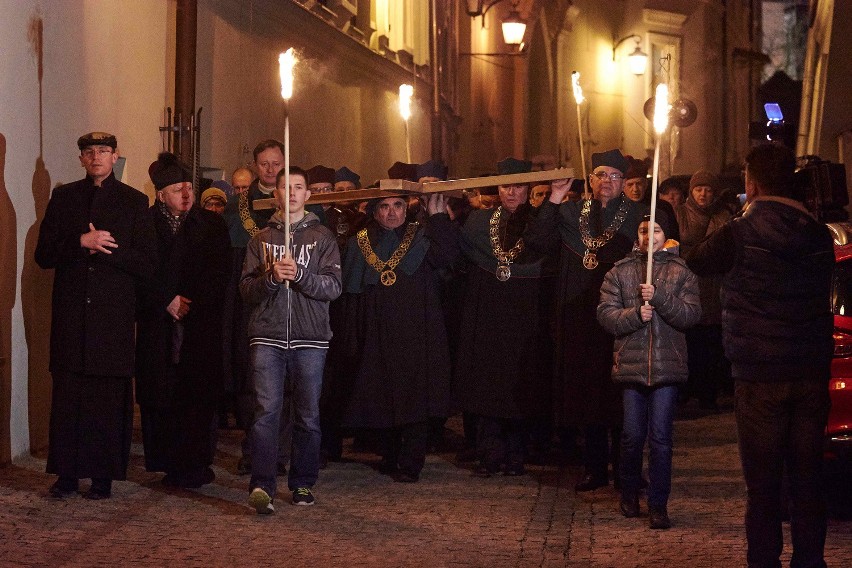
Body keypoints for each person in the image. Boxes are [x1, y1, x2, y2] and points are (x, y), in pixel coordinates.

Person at [687, 143, 834, 568]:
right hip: (808, 370)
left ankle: (764, 561)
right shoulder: (818, 233)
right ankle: (810, 560)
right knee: (808, 478)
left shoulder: (739, 231)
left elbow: (697, 257)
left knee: (764, 483)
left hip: (759, 374)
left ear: (751, 182)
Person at [35, 131, 157, 499]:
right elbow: (44, 255)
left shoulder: (135, 202)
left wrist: (107, 248)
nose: (97, 157)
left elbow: (147, 263)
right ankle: (67, 475)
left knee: (107, 399)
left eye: (103, 151)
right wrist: (80, 243)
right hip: (72, 316)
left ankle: (103, 475)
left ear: (116, 155)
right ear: (81, 159)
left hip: (112, 318)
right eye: (90, 152)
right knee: (69, 396)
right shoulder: (64, 197)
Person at [525, 148, 648, 492]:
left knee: (623, 396)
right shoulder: (570, 211)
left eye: (614, 176)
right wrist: (556, 195)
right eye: (600, 175)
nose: (606, 181)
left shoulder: (639, 214)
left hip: (623, 315)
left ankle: (629, 468)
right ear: (590, 180)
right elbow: (536, 241)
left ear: (624, 182)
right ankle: (594, 467)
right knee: (590, 393)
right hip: (581, 316)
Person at [242, 166, 342, 513]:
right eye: (286, 188)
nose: (293, 193)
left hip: (310, 337)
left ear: (308, 195)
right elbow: (247, 290)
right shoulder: (261, 240)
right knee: (265, 413)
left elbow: (332, 287)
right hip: (267, 335)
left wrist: (300, 275)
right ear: (277, 194)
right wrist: (271, 278)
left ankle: (302, 483)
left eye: (299, 187)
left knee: (308, 415)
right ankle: (262, 485)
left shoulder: (323, 238)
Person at [341, 192, 458, 482]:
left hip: (417, 332)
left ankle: (411, 461)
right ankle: (390, 455)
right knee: (381, 393)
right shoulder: (361, 243)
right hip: (376, 332)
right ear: (374, 211)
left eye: (398, 206)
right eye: (384, 206)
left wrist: (439, 216)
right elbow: (352, 295)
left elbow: (448, 258)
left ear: (407, 208)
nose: (392, 213)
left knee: (414, 395)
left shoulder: (422, 237)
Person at [597, 210, 700, 529]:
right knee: (631, 436)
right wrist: (633, 316)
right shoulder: (621, 272)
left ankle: (659, 504)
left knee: (660, 439)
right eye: (643, 231)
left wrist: (660, 298)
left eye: (654, 231)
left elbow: (690, 316)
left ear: (664, 235)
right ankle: (628, 493)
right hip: (632, 366)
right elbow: (605, 314)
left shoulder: (683, 273)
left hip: (666, 369)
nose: (648, 237)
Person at [454, 157, 557, 477]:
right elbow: (463, 250)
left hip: (525, 311)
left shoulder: (541, 219)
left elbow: (540, 243)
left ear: (526, 189)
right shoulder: (478, 221)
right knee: (488, 384)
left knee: (520, 383)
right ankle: (489, 452)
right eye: (504, 187)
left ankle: (516, 454)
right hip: (489, 310)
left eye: (517, 187)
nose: (510, 193)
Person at [135, 153, 231, 488]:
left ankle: (196, 463)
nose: (187, 195)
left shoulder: (211, 224)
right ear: (161, 194)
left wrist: (191, 303)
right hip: (159, 325)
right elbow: (139, 272)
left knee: (197, 396)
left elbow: (220, 273)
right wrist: (166, 301)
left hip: (198, 325)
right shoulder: (143, 225)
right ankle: (167, 462)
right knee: (162, 395)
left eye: (190, 187)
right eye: (178, 189)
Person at [222, 141, 292, 476]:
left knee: (287, 381)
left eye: (276, 163)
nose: (270, 170)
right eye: (263, 164)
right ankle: (254, 450)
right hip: (251, 307)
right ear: (254, 165)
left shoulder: (298, 204)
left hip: (290, 307)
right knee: (253, 381)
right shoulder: (238, 208)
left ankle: (281, 451)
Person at [676, 170, 732, 411]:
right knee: (690, 340)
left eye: (708, 190)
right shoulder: (680, 214)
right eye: (699, 189)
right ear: (691, 191)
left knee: (711, 341)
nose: (703, 194)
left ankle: (708, 393)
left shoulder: (723, 215)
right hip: (688, 282)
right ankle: (686, 392)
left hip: (714, 284)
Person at [622, 157, 679, 241]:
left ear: (645, 184)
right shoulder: (618, 211)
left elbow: (673, 241)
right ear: (623, 187)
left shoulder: (663, 208)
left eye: (639, 183)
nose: (635, 189)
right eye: (630, 185)